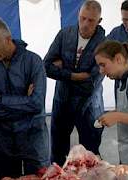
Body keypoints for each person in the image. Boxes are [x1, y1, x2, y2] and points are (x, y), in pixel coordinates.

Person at [0, 17, 49, 180]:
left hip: (33, 137)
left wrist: (1, 99)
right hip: (4, 139)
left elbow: (37, 104)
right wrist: (24, 101)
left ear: (8, 39)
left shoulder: (33, 61)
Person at [44, 0, 105, 166]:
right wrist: (74, 76)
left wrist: (63, 70)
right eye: (83, 18)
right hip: (62, 101)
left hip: (89, 105)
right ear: (78, 15)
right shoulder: (65, 34)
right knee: (57, 152)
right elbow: (47, 66)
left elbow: (93, 81)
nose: (85, 24)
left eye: (91, 20)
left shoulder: (104, 43)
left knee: (90, 155)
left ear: (99, 21)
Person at [95, 40, 128, 165]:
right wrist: (116, 113)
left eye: (103, 65)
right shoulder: (122, 81)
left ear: (118, 59)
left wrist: (118, 116)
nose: (101, 71)